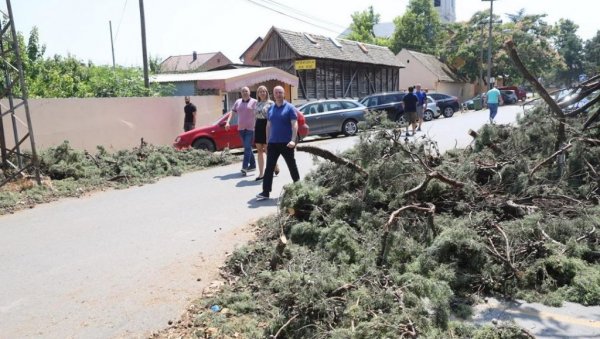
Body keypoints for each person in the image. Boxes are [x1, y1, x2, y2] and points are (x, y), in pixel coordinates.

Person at [256, 86, 300, 200]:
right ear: (274, 95)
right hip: (273, 143)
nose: (278, 94)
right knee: (269, 168)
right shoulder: (271, 109)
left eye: (280, 92)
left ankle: (299, 188)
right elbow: (268, 125)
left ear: (283, 94)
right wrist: (267, 140)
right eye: (276, 93)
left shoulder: (290, 108)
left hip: (286, 143)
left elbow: (294, 124)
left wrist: (293, 140)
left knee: (292, 166)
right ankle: (265, 192)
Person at [226, 87, 257, 175]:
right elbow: (232, 112)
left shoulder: (254, 102)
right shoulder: (238, 102)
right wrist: (228, 122)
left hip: (251, 128)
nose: (244, 92)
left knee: (247, 147)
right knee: (247, 147)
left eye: (246, 91)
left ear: (249, 92)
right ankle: (253, 165)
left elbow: (258, 114)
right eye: (243, 91)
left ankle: (244, 167)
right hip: (241, 129)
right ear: (241, 93)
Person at [253, 85, 279, 181]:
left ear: (267, 92)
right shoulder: (256, 104)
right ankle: (261, 173)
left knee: (268, 150)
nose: (262, 93)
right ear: (258, 94)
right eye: (260, 91)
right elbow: (255, 116)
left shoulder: (271, 103)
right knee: (259, 150)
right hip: (258, 125)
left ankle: (275, 165)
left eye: (264, 91)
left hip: (268, 126)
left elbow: (274, 117)